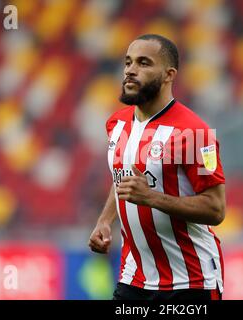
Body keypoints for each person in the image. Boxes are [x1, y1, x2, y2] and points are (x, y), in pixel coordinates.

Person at [88, 34, 226, 300]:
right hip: (133, 279)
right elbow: (123, 179)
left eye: (143, 63)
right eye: (128, 62)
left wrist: (150, 198)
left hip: (190, 282)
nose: (130, 70)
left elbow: (216, 208)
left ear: (168, 75)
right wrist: (105, 221)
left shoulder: (194, 133)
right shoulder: (117, 124)